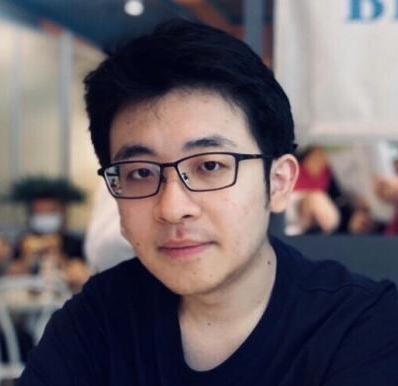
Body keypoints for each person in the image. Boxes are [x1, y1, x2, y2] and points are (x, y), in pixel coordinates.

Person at [17, 20, 398, 385]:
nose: (171, 207)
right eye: (140, 173)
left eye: (210, 166)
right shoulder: (95, 322)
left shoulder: (362, 327)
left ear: (279, 183)